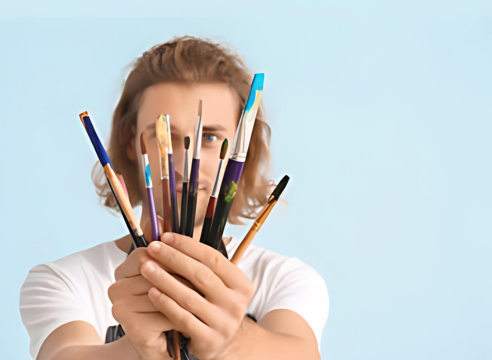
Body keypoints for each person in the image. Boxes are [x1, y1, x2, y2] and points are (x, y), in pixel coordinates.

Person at [19, 36, 329, 360]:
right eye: (162, 134)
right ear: (131, 144)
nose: (183, 163)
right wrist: (139, 349)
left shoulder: (284, 278)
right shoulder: (64, 280)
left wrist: (233, 342)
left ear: (241, 152)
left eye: (209, 137)